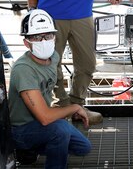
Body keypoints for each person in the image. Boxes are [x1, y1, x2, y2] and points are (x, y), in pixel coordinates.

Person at [9, 9, 91, 169]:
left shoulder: (53, 57)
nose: (43, 41)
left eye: (48, 35)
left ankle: (34, 148)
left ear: (54, 37)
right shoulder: (24, 70)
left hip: (42, 123)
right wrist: (74, 107)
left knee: (83, 147)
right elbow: (45, 117)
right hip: (22, 129)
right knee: (59, 130)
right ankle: (27, 148)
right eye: (36, 37)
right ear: (27, 43)